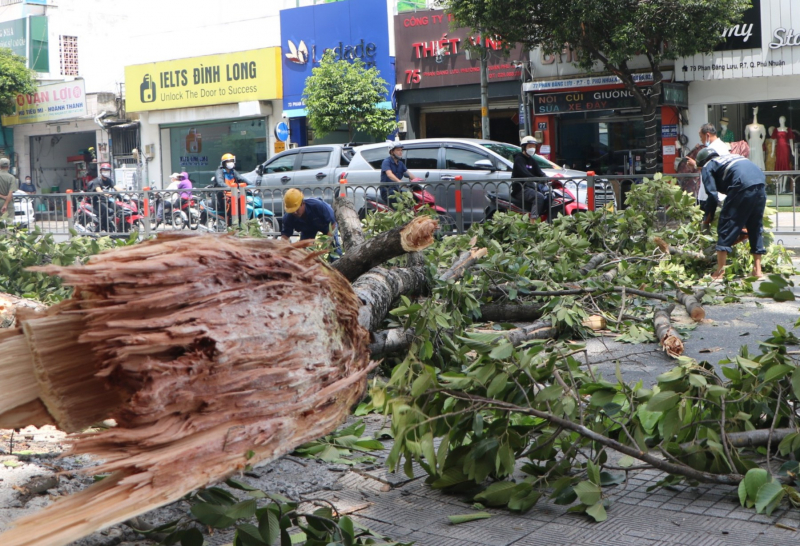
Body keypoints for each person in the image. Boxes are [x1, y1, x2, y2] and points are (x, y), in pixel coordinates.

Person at [696, 148, 767, 279]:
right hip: (760, 182)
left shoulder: (707, 166)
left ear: (701, 163)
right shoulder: (729, 158)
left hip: (741, 185)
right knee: (755, 225)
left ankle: (720, 271)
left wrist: (707, 220)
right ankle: (757, 270)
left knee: (726, 224)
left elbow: (712, 195)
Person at [280, 188, 341, 256]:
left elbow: (332, 224)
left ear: (303, 203)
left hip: (326, 225)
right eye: (292, 211)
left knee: (333, 247)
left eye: (297, 209)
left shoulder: (318, 206)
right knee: (304, 252)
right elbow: (285, 237)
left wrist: (326, 245)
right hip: (307, 230)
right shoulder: (288, 217)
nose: (295, 212)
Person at [688, 124, 730, 207]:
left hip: (712, 195)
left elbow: (712, 169)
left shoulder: (712, 149)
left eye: (701, 137)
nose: (701, 140)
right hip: (716, 194)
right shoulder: (723, 146)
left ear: (707, 135)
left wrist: (695, 165)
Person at [511, 136, 549, 217]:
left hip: (531, 187)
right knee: (539, 197)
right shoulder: (519, 159)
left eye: (534, 146)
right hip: (521, 188)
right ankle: (533, 220)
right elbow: (525, 173)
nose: (532, 148)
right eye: (530, 146)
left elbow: (539, 172)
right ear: (524, 147)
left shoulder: (532, 160)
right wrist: (537, 179)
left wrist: (547, 178)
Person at [213, 153, 247, 222]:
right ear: (224, 163)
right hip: (223, 195)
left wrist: (253, 185)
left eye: (231, 161)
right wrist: (231, 189)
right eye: (228, 161)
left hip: (234, 194)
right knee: (231, 204)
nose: (231, 163)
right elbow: (220, 182)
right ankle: (229, 221)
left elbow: (242, 178)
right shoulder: (219, 172)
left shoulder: (233, 172)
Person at [88, 163, 116, 231]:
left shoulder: (109, 181)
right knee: (105, 210)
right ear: (101, 171)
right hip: (97, 202)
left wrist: (126, 192)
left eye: (107, 170)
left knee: (117, 207)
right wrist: (105, 194)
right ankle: (100, 228)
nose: (106, 172)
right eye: (104, 170)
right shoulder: (97, 180)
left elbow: (116, 187)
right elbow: (98, 190)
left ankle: (117, 227)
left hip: (106, 201)